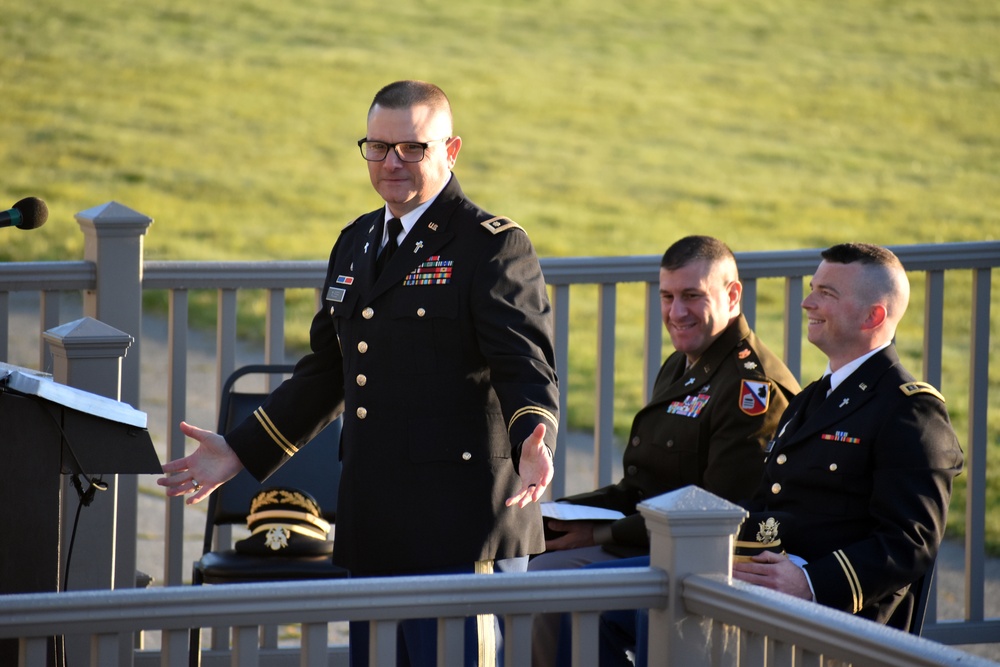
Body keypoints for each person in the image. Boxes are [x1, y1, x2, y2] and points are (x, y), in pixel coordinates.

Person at [158, 80, 560, 666]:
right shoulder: (357, 242)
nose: (392, 162)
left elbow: (524, 362)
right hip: (375, 514)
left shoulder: (490, 245)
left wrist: (533, 436)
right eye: (378, 147)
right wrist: (241, 451)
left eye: (412, 148)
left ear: (451, 151)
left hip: (459, 521)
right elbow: (328, 372)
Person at [531, 235, 800, 666]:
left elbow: (719, 512)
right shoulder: (684, 362)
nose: (676, 313)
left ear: (732, 296)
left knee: (554, 587)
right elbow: (642, 487)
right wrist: (555, 517)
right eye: (668, 296)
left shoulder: (752, 387)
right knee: (533, 554)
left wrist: (600, 534)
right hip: (654, 539)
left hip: (701, 559)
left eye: (692, 296)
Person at [732, 242, 964, 631]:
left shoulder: (911, 411)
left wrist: (810, 584)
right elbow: (772, 504)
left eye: (826, 294)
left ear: (873, 316)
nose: (807, 303)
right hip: (773, 604)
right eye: (812, 288)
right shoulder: (814, 398)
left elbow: (909, 543)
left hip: (842, 625)